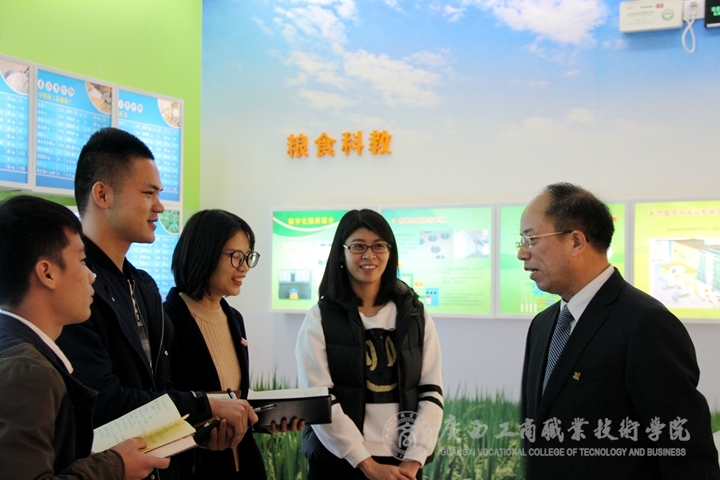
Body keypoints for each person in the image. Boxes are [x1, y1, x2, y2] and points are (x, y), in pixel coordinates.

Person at [56, 127, 257, 479]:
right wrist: (203, 404)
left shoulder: (144, 286)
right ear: (102, 194)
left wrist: (202, 431)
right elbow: (101, 402)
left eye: (159, 194)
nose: (160, 207)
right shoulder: (72, 286)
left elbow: (158, 393)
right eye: (148, 193)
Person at [518, 182, 720, 479]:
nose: (522, 253)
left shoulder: (646, 324)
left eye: (531, 239)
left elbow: (686, 455)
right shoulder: (543, 324)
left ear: (576, 241)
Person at [0, 195, 170, 479]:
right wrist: (115, 466)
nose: (91, 276)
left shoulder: (16, 349)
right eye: (81, 261)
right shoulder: (28, 372)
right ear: (47, 273)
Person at [296, 209, 444, 480]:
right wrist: (366, 463)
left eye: (378, 246)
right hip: (338, 463)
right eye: (358, 246)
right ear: (341, 253)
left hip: (403, 465)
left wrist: (413, 461)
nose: (369, 255)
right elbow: (319, 399)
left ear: (390, 251)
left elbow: (431, 391)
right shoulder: (320, 317)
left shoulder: (414, 314)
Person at [165, 209, 302, 479]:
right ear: (204, 253)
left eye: (248, 257)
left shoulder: (233, 318)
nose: (245, 268)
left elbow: (236, 399)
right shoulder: (166, 320)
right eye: (236, 257)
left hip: (244, 464)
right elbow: (165, 404)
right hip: (196, 468)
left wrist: (269, 418)